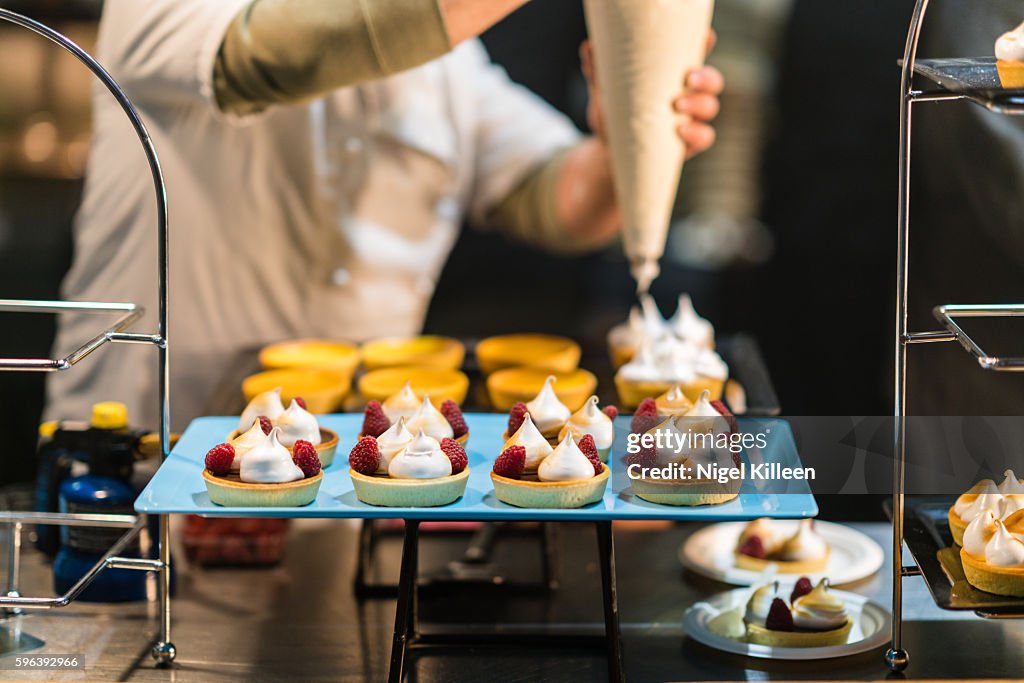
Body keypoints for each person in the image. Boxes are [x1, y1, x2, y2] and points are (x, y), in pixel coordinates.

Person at [45, 0, 723, 429]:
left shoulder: (450, 68)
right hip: (140, 460)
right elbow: (268, 53)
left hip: (350, 481)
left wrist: (620, 149)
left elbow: (557, 199)